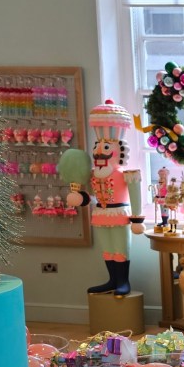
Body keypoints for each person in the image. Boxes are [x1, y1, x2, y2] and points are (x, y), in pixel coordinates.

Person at [63, 101, 144, 296]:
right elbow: (91, 195)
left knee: (120, 248)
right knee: (107, 249)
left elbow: (135, 196)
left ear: (118, 149)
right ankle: (112, 280)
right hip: (100, 213)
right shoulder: (93, 173)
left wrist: (137, 219)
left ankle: (123, 281)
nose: (99, 151)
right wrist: (79, 198)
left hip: (120, 213)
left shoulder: (126, 174)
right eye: (97, 146)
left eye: (105, 147)